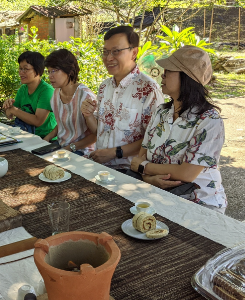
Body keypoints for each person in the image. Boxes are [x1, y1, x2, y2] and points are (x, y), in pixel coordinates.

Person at [130, 46, 227, 213]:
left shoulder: (209, 121)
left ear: (187, 77)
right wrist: (148, 178)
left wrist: (143, 167)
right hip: (159, 196)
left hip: (200, 204)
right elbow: (142, 155)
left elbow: (186, 174)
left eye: (169, 70)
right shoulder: (161, 112)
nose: (162, 74)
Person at [81, 26, 164, 173]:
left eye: (116, 51)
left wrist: (114, 153)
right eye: (105, 52)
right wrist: (88, 116)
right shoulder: (104, 87)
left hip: (129, 172)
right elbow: (99, 130)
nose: (109, 58)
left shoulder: (149, 89)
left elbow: (153, 139)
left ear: (134, 52)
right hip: (100, 167)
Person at [43, 49, 97, 156]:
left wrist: (71, 147)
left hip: (82, 151)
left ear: (69, 71)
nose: (50, 76)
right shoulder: (56, 93)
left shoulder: (85, 96)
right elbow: (63, 123)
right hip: (61, 145)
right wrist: (47, 138)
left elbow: (96, 135)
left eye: (54, 71)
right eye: (48, 71)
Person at [2, 51, 56, 138]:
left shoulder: (46, 91)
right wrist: (8, 106)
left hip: (45, 139)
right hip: (26, 135)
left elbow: (38, 121)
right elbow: (10, 114)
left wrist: (14, 110)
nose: (21, 72)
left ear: (38, 71)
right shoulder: (23, 89)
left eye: (26, 69)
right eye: (20, 68)